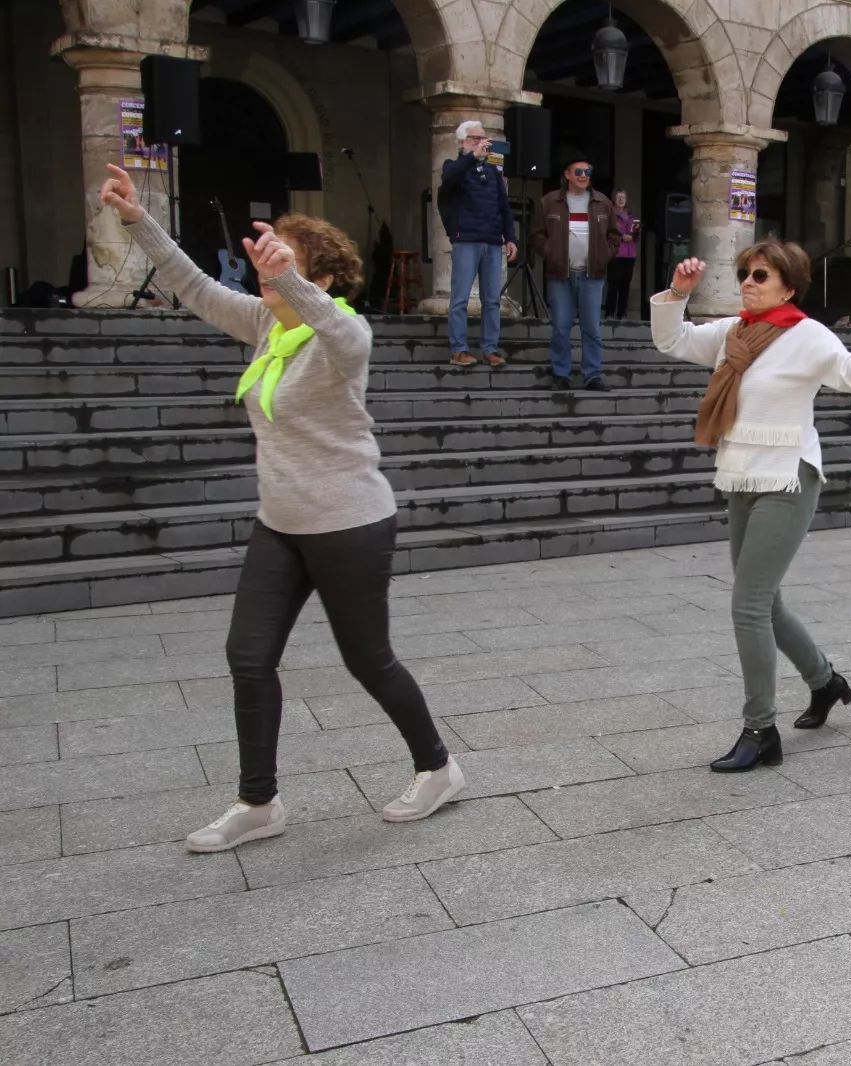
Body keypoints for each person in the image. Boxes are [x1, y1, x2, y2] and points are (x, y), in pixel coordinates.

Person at [99, 163, 465, 851]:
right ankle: (258, 803)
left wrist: (290, 276)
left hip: (350, 522)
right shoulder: (265, 324)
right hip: (281, 523)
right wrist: (136, 217)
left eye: (284, 270)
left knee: (369, 660)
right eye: (265, 267)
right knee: (248, 654)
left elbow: (338, 329)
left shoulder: (343, 338)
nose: (265, 279)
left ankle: (439, 768)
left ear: (319, 279)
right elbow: (193, 284)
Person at [652, 242, 851, 771]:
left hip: (788, 477)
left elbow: (850, 375)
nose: (748, 281)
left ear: (787, 287)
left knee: (748, 603)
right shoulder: (731, 332)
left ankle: (760, 729)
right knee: (767, 602)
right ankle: (826, 682)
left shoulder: (807, 334)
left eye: (760, 275)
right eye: (744, 272)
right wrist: (678, 292)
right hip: (741, 473)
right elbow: (671, 338)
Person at [533, 153, 623, 391]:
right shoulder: (549, 202)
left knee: (591, 328)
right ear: (568, 175)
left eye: (588, 172)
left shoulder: (602, 202)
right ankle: (561, 373)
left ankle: (592, 374)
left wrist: (605, 254)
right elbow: (537, 235)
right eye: (579, 172)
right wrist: (550, 252)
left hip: (592, 275)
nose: (584, 176)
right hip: (560, 274)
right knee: (561, 327)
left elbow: (614, 235)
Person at [439, 121, 516, 368]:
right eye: (476, 138)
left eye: (484, 138)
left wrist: (510, 237)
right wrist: (472, 157)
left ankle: (490, 348)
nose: (482, 143)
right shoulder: (454, 166)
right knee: (460, 298)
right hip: (467, 240)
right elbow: (450, 179)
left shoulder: (492, 172)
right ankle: (459, 350)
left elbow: (504, 207)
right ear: (463, 141)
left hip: (493, 242)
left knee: (492, 300)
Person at [605, 189, 640, 320]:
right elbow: (607, 233)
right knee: (613, 284)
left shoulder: (632, 217)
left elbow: (636, 237)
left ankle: (622, 313)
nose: (621, 200)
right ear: (614, 199)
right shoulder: (610, 216)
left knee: (625, 285)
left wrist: (634, 235)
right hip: (616, 253)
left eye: (623, 197)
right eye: (619, 197)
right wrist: (621, 237)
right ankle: (609, 313)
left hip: (630, 255)